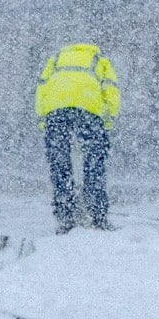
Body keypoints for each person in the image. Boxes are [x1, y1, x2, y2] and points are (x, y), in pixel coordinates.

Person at [35, 42, 120, 233]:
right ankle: (97, 215)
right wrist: (107, 123)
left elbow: (41, 88)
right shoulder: (100, 60)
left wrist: (43, 121)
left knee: (59, 163)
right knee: (94, 162)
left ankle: (65, 215)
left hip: (56, 109)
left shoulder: (55, 59)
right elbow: (112, 92)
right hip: (89, 109)